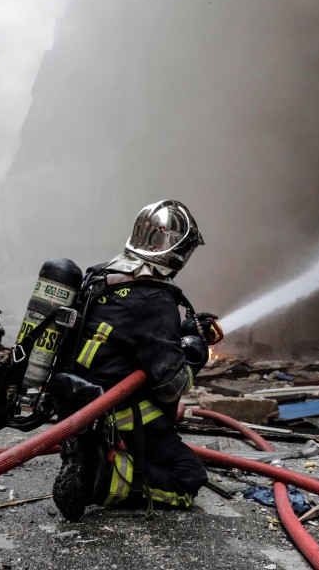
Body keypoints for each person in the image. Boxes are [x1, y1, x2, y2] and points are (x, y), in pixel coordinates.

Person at [50, 199, 222, 521]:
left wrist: (183, 330)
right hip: (123, 420)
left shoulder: (101, 277)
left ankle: (90, 451)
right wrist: (196, 353)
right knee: (188, 479)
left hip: (83, 407)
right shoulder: (155, 298)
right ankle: (96, 481)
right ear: (179, 252)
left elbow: (128, 335)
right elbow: (172, 386)